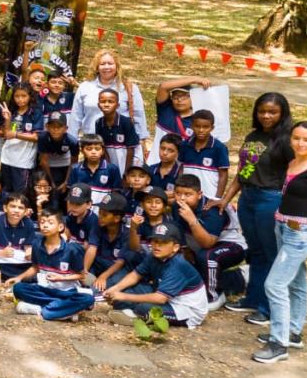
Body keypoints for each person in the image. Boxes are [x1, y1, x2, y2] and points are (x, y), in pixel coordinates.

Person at [225, 92, 293, 323]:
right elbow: (244, 172)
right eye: (262, 111)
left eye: (272, 112)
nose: (266, 115)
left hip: (270, 199)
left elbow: (294, 175)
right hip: (248, 198)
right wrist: (226, 200)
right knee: (255, 251)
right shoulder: (253, 136)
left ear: (282, 113)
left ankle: (268, 308)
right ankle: (252, 299)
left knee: (270, 253)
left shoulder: (286, 140)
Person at [253, 120, 307, 363]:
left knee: (275, 285)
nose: (300, 143)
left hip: (301, 232)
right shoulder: (293, 162)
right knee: (295, 282)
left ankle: (279, 343)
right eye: (296, 138)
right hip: (283, 225)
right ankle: (293, 331)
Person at [104, 220, 208, 329]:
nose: (157, 245)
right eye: (154, 241)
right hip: (166, 297)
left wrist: (124, 296)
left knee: (144, 308)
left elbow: (160, 298)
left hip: (185, 309)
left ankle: (135, 315)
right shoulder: (154, 256)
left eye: (163, 242)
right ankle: (132, 312)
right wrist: (115, 289)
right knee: (121, 292)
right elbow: (136, 274)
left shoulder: (178, 265)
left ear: (175, 247)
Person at [170, 174, 245, 309]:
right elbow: (178, 230)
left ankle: (212, 296)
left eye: (188, 194)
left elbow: (208, 243)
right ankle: (237, 278)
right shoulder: (177, 206)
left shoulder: (212, 209)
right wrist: (185, 248)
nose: (182, 198)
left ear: (199, 194)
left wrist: (192, 220)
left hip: (232, 245)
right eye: (178, 193)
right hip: (200, 245)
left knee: (207, 257)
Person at [7, 208, 92, 322]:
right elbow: (35, 267)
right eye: (42, 222)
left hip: (66, 291)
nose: (45, 225)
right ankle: (63, 309)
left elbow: (82, 276)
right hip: (44, 289)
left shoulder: (71, 249)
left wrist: (61, 278)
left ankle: (42, 310)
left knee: (87, 299)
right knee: (18, 288)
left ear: (60, 227)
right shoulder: (37, 244)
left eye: (50, 223)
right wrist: (19, 278)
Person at [69, 50, 148, 158]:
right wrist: (71, 140)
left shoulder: (128, 88)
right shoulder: (85, 87)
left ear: (117, 66)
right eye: (102, 64)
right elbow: (76, 116)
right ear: (97, 67)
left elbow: (139, 115)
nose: (107, 67)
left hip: (121, 145)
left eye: (110, 63)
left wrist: (142, 140)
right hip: (93, 145)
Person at [0, 193, 37, 280]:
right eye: (13, 206)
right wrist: (1, 253)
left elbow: (28, 245)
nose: (16, 210)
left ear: (26, 212)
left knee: (36, 262)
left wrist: (29, 251)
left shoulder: (28, 223)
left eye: (20, 208)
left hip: (17, 256)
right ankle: (25, 276)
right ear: (5, 208)